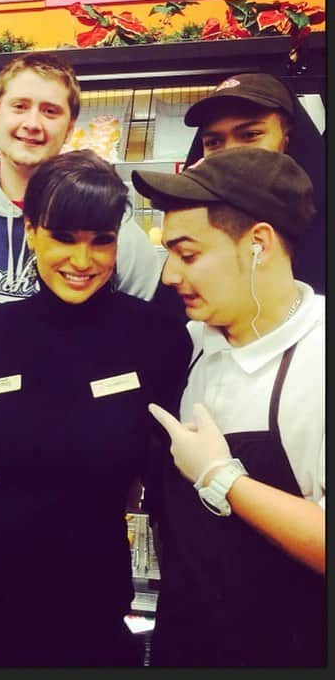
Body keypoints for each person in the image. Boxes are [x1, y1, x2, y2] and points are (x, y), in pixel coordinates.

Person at [0, 150, 191, 666]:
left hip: (93, 597)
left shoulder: (158, 337)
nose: (82, 263)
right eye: (64, 238)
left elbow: (169, 471)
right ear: (32, 229)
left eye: (100, 241)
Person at [131, 147, 325, 666]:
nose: (169, 276)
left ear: (258, 244)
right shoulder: (193, 341)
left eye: (188, 254)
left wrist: (222, 479)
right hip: (189, 637)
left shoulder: (319, 357)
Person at [0, 51, 162, 304]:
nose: (33, 123)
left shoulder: (113, 227)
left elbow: (139, 324)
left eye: (50, 111)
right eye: (20, 107)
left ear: (70, 128)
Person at [183, 71, 325, 294]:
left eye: (250, 135)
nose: (230, 152)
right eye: (213, 142)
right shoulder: (194, 228)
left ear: (288, 138)